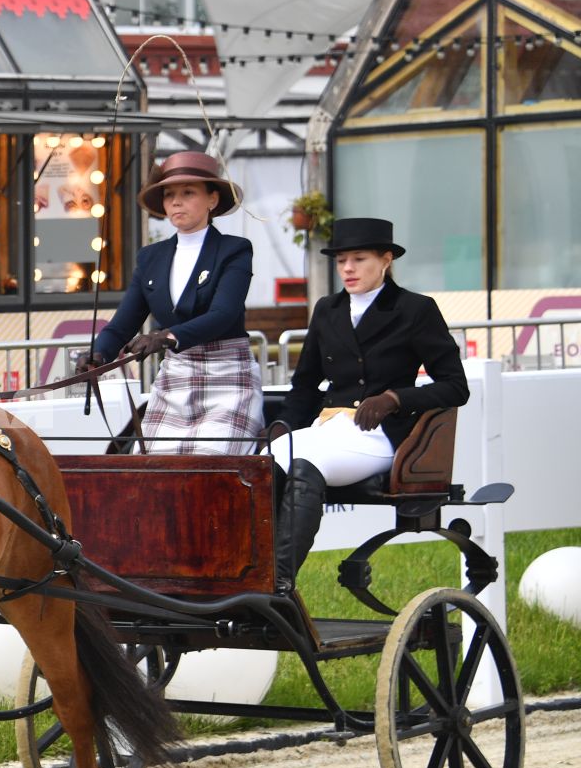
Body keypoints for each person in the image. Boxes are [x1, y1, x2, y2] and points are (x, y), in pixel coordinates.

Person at [270, 217, 469, 591]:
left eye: (359, 259)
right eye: (342, 260)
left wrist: (395, 398)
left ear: (386, 259)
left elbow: (455, 387)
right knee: (264, 462)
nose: (347, 268)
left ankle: (279, 585)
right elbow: (305, 385)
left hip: (379, 436)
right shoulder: (327, 310)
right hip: (330, 427)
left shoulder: (415, 309)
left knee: (304, 463)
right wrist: (282, 424)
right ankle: (242, 577)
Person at [80, 151, 262, 453]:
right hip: (176, 378)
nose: (176, 201)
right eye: (169, 194)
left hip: (228, 376)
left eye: (188, 192)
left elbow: (225, 313)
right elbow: (124, 323)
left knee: (210, 466)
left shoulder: (234, 249)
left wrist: (167, 335)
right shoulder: (151, 257)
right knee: (154, 472)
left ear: (212, 200)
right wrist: (98, 355)